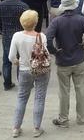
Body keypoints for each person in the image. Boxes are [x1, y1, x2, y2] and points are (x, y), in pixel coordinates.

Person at [46, 0, 84, 128]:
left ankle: (63, 119)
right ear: (74, 6)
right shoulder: (81, 20)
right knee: (80, 89)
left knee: (64, 91)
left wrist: (53, 51)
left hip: (63, 61)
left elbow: (47, 39)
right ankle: (82, 117)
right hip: (79, 59)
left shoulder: (56, 21)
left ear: (63, 7)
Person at [9, 10, 50, 138]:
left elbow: (11, 57)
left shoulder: (16, 36)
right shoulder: (41, 36)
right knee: (39, 97)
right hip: (40, 70)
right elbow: (45, 53)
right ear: (36, 22)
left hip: (24, 70)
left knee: (21, 98)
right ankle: (37, 128)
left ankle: (16, 127)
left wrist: (18, 62)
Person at [0, 0, 30, 90]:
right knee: (21, 59)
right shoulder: (23, 6)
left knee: (7, 60)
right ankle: (22, 82)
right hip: (20, 35)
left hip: (7, 34)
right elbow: (27, 21)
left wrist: (2, 30)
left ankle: (7, 83)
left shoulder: (0, 5)